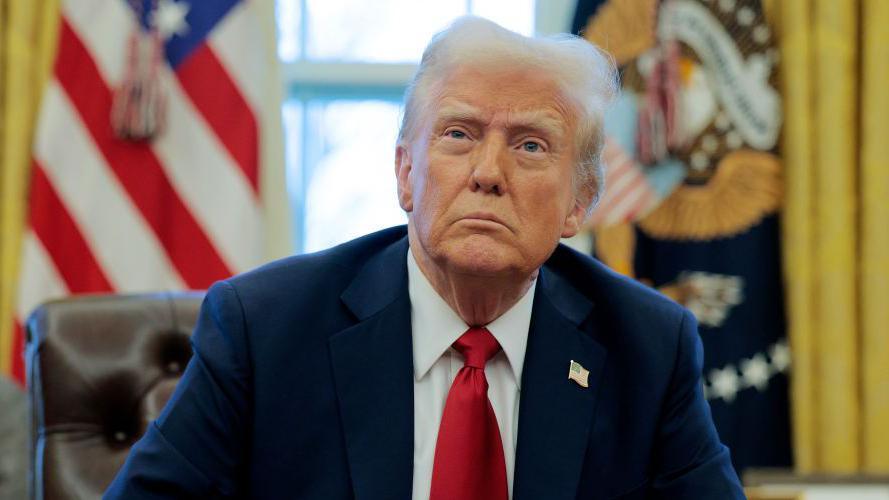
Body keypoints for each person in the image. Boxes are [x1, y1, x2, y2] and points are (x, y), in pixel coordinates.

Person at [106, 16, 744, 499]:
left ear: (579, 202)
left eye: (529, 146)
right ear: (405, 172)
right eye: (459, 134)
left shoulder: (648, 348)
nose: (488, 173)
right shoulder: (263, 328)